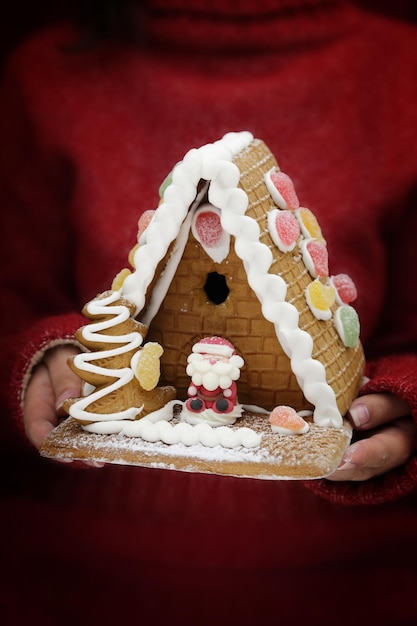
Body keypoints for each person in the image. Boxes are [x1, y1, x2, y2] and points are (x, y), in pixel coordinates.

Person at [1, 1, 417, 624]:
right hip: (77, 573)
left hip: (354, 581)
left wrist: (403, 397)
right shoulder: (44, 74)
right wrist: (57, 356)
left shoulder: (403, 69)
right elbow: (11, 303)